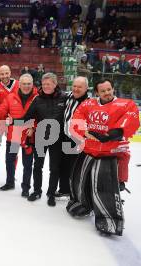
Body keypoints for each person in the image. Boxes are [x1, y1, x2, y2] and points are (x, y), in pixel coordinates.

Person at [67, 78, 139, 236]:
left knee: (104, 187)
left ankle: (109, 220)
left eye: (109, 89)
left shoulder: (126, 104)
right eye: (103, 91)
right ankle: (81, 204)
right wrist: (85, 132)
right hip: (89, 150)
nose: (107, 93)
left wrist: (114, 133)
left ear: (113, 89)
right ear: (97, 92)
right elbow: (76, 121)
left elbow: (131, 119)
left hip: (110, 153)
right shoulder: (88, 104)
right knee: (79, 181)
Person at [0, 74, 38, 196]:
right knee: (10, 160)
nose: (26, 86)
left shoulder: (37, 98)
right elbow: (1, 109)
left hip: (29, 136)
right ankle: (10, 183)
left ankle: (25, 187)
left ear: (32, 84)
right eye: (24, 83)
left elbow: (40, 115)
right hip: (14, 134)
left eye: (29, 83)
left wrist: (34, 127)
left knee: (27, 163)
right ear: (19, 84)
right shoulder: (11, 97)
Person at [22, 73, 68, 206]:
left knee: (54, 168)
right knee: (37, 166)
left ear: (55, 84)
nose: (46, 86)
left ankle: (51, 193)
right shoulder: (37, 99)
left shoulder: (64, 98)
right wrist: (31, 126)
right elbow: (27, 117)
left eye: (49, 84)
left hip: (57, 138)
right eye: (44, 84)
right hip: (41, 138)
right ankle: (37, 191)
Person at [58, 76, 89, 198]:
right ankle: (64, 189)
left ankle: (75, 194)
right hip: (65, 137)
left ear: (86, 88)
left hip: (78, 140)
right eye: (74, 86)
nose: (76, 89)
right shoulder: (68, 96)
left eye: (79, 87)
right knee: (63, 165)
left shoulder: (90, 103)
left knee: (75, 168)